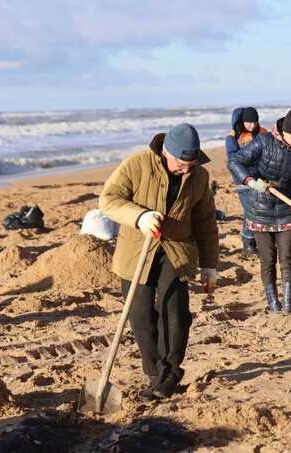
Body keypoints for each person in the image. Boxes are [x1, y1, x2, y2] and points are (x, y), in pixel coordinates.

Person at [100, 123, 219, 400]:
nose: (186, 169)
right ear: (166, 151)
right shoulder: (137, 164)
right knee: (140, 315)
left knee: (174, 312)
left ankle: (169, 374)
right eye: (181, 163)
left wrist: (210, 265)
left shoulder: (199, 177)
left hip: (177, 251)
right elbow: (109, 199)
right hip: (136, 250)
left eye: (192, 164)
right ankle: (154, 372)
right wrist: (140, 217)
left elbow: (205, 223)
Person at [227, 108, 291, 314]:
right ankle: (273, 303)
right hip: (259, 206)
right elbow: (235, 161)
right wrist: (251, 181)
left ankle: (288, 304)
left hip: (287, 205)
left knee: (287, 255)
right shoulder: (264, 141)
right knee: (268, 257)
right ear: (284, 132)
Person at [225, 107, 268, 257]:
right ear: (242, 122)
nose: (252, 125)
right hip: (242, 180)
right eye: (248, 122)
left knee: (261, 209)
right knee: (251, 209)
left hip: (261, 178)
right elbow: (233, 160)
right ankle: (248, 242)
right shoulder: (232, 138)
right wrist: (246, 177)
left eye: (254, 122)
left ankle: (259, 240)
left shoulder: (263, 132)